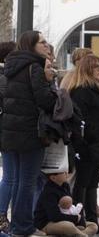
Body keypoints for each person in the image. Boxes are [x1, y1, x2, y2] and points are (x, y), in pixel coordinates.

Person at [2, 31, 57, 237]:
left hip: (11, 132)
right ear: (31, 46)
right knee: (27, 182)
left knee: (17, 181)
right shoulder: (35, 67)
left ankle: (18, 226)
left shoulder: (12, 66)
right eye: (42, 43)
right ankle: (23, 227)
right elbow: (45, 101)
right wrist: (49, 80)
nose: (47, 46)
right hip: (30, 132)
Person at [60, 55, 99, 232]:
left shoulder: (97, 89)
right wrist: (82, 144)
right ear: (86, 69)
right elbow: (78, 120)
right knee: (82, 185)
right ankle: (80, 220)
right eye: (95, 67)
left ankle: (92, 220)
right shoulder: (81, 91)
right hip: (87, 145)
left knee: (92, 184)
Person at [34, 170, 98, 236]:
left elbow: (74, 204)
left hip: (67, 218)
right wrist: (75, 218)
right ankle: (81, 235)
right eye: (63, 172)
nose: (66, 173)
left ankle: (77, 234)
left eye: (66, 171)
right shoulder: (49, 192)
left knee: (93, 226)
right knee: (68, 226)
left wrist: (81, 222)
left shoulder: (65, 186)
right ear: (53, 177)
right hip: (47, 223)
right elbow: (54, 216)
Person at [0, 40, 18, 234]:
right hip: (9, 132)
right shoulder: (5, 77)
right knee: (11, 177)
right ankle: (2, 215)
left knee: (11, 176)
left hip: (9, 131)